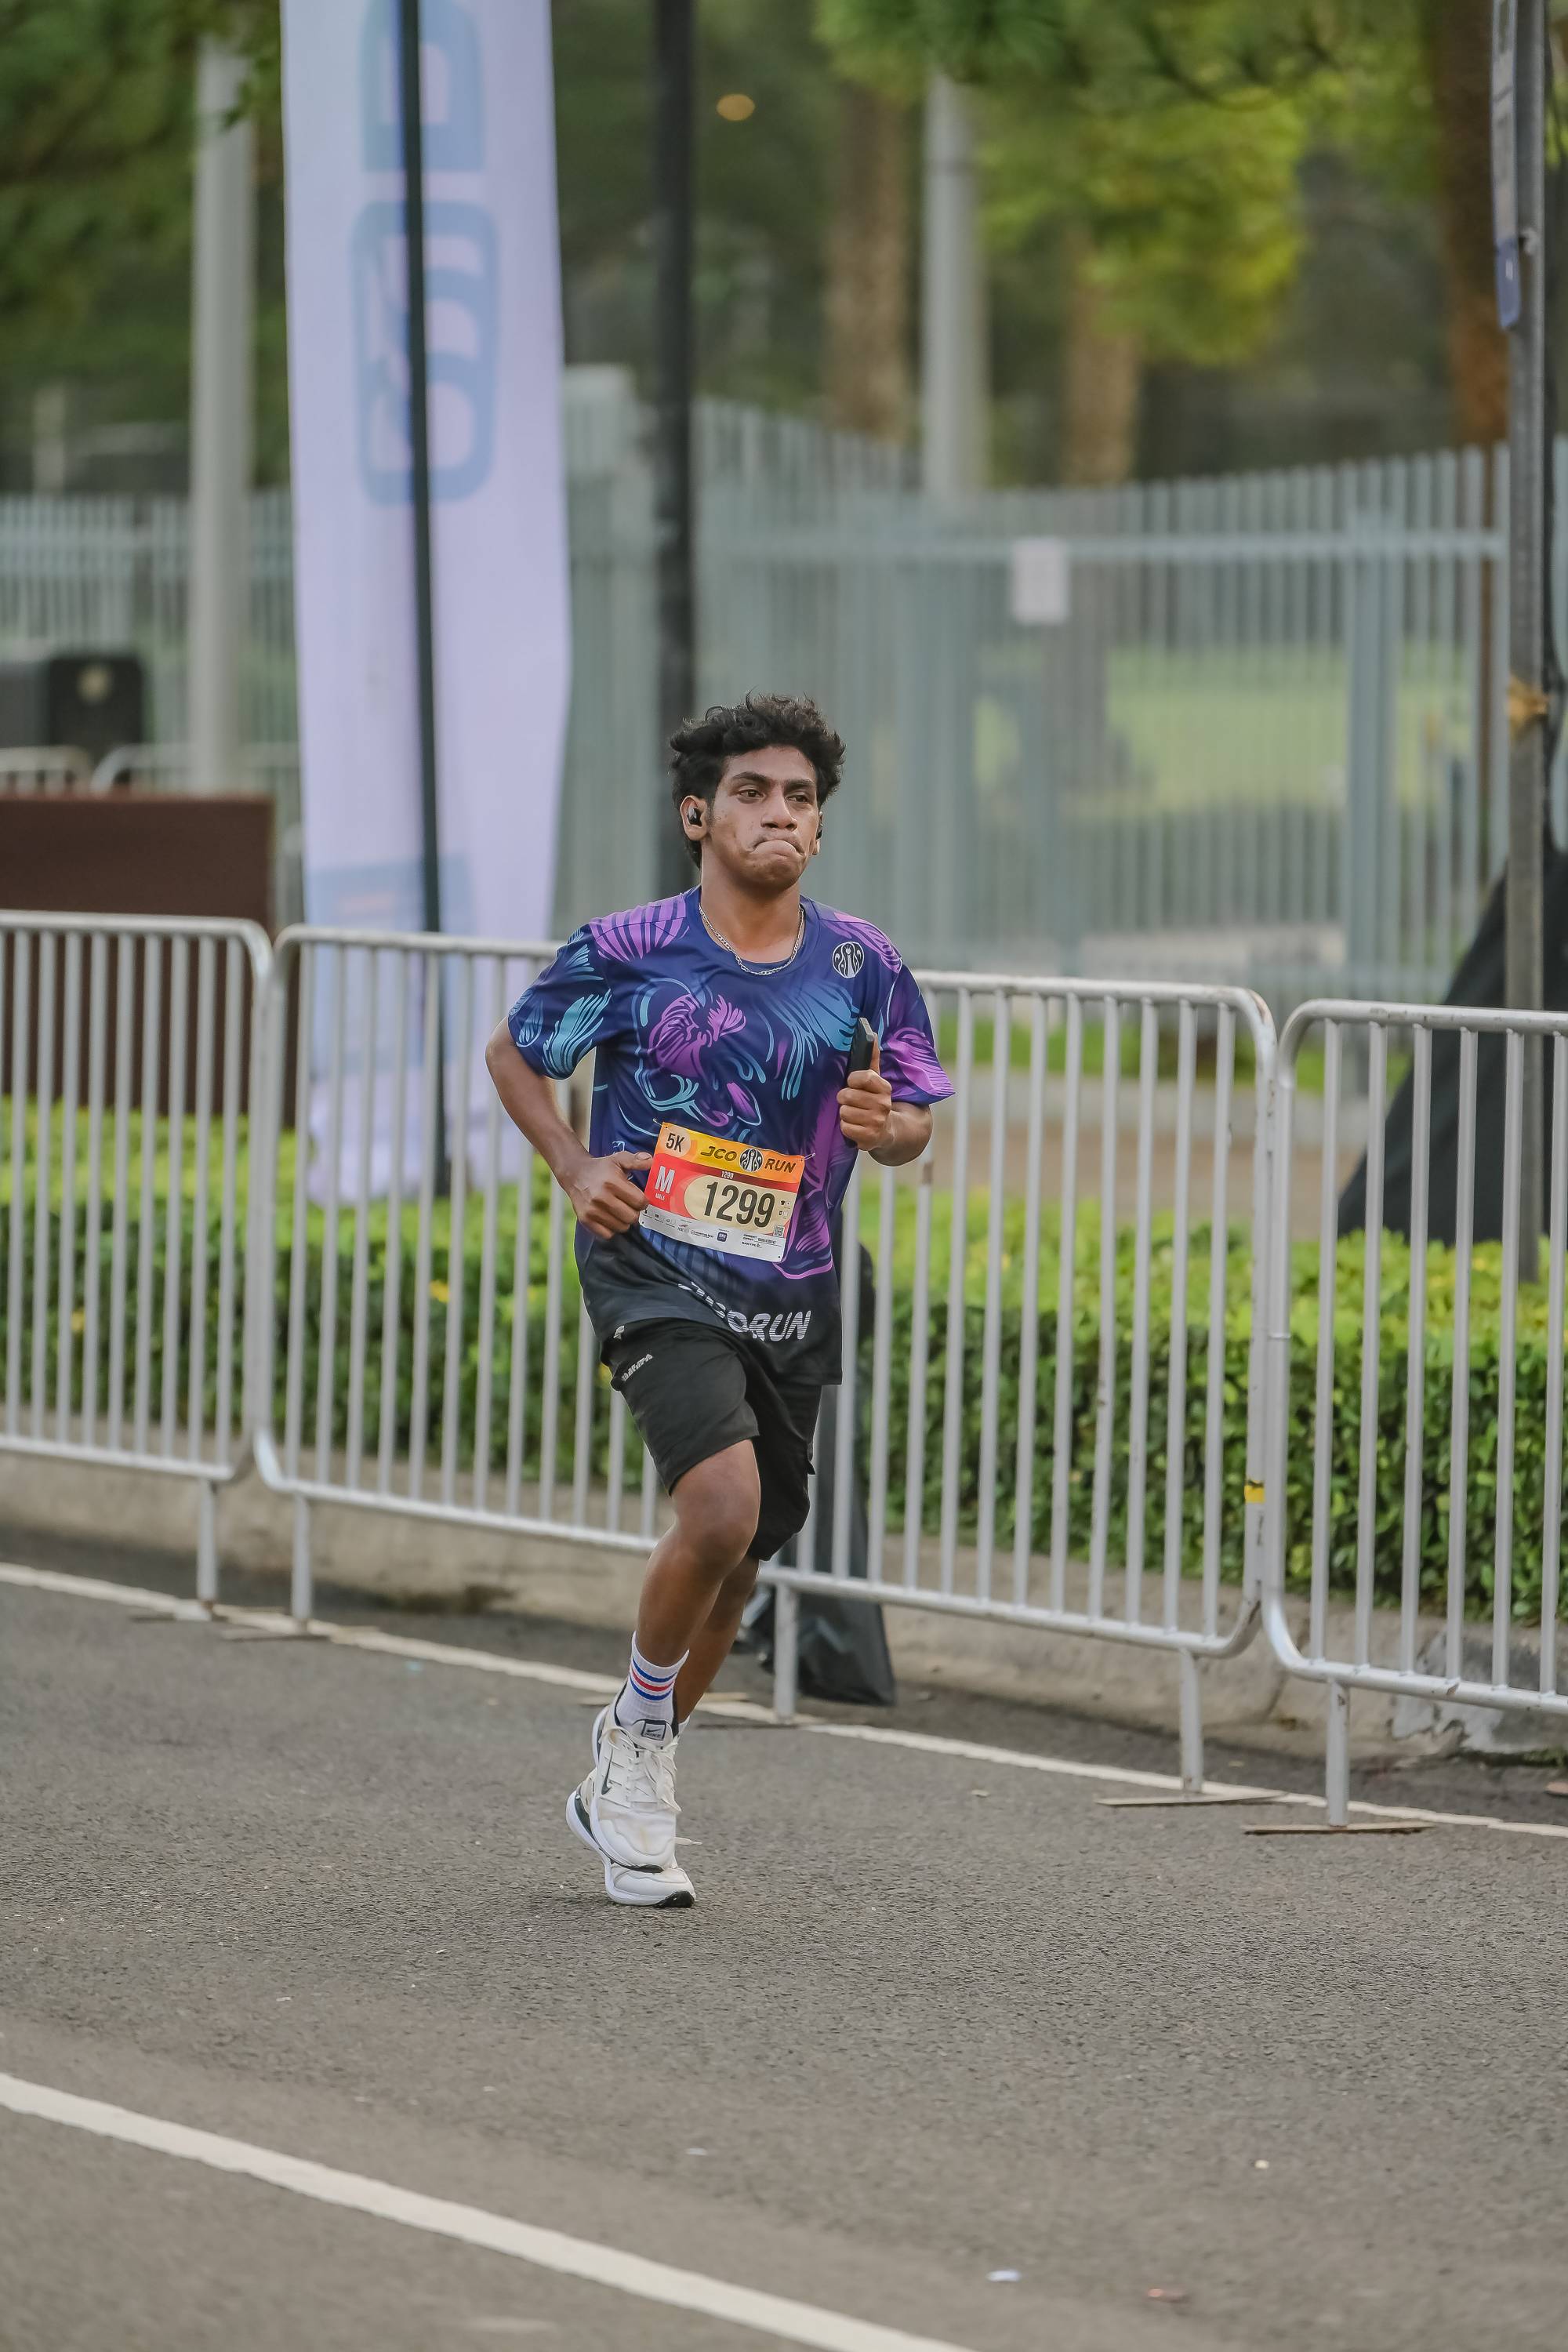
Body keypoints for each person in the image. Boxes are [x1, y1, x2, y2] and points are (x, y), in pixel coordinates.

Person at [485, 691, 950, 1907]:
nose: (779, 814)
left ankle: (629, 1756)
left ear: (820, 824)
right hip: (654, 1268)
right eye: (752, 792)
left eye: (800, 797)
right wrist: (575, 1165)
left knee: (740, 1556)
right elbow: (515, 1052)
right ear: (698, 814)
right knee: (720, 1504)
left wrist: (889, 1128)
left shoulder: (861, 963)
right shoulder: (629, 949)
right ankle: (640, 1763)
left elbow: (913, 1119)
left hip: (791, 1291)